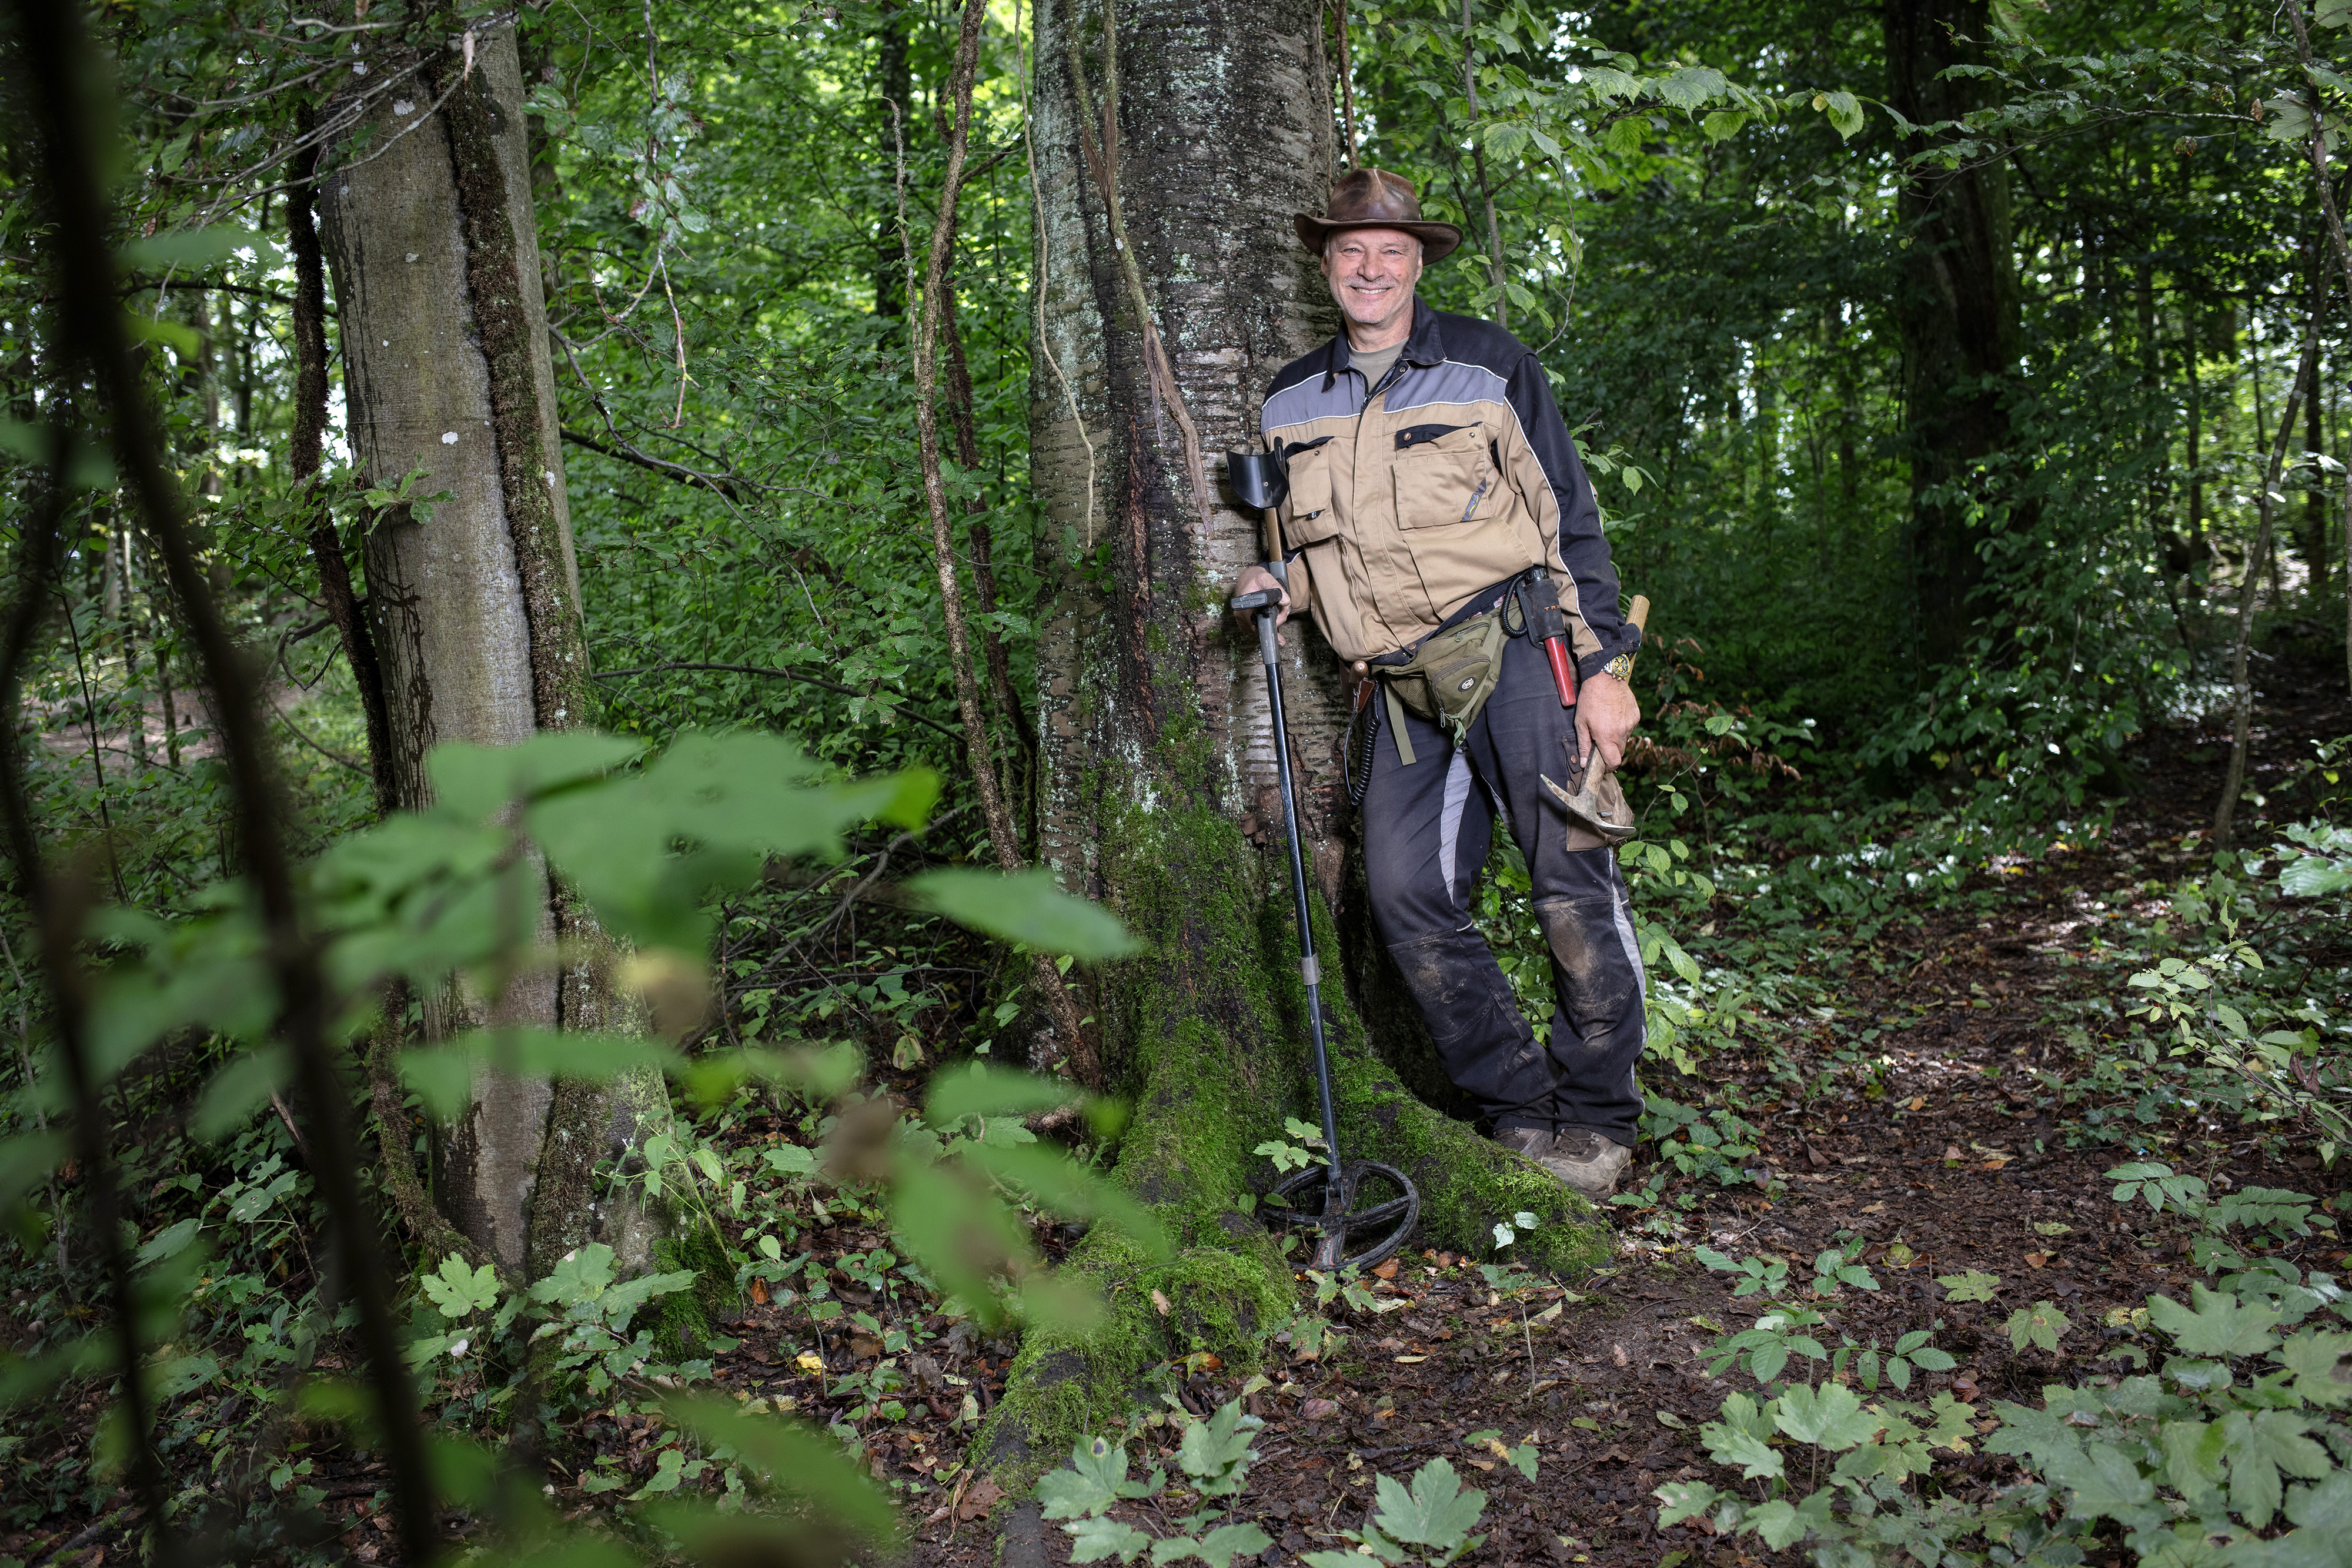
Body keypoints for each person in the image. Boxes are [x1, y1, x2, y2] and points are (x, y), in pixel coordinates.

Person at [1230, 168, 1648, 1198]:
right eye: (1351, 253)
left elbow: (1569, 521)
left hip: (1516, 652)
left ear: (1419, 262)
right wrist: (1268, 580)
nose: (1371, 270)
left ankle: (1597, 1121)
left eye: (1392, 253)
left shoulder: (1491, 366)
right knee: (1405, 893)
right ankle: (1517, 1106)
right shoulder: (1290, 399)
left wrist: (1605, 671)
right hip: (1396, 686)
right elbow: (1292, 541)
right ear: (1326, 264)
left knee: (1572, 884)